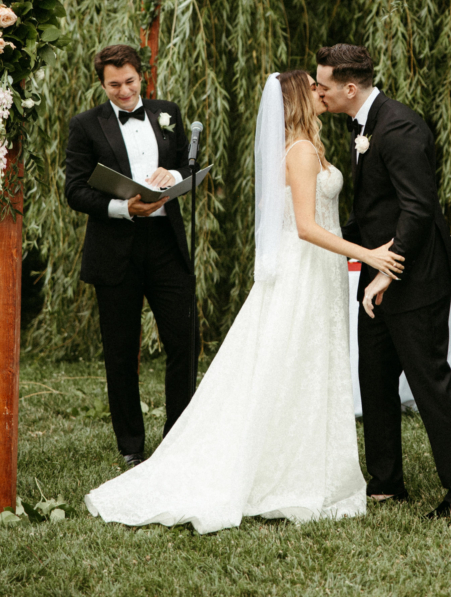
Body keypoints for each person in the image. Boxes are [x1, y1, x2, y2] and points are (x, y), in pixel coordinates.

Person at [85, 70, 405, 532]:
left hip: (320, 270)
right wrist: (367, 255)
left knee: (306, 364)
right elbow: (306, 227)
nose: (322, 93)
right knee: (291, 362)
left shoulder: (307, 146)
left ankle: (303, 457)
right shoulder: (299, 152)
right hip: (305, 268)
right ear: (298, 98)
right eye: (313, 89)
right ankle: (284, 468)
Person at [316, 44, 451, 519]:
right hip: (378, 273)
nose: (317, 91)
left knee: (430, 384)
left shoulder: (400, 127)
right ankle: (386, 482)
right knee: (374, 380)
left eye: (323, 85)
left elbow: (417, 208)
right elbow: (376, 208)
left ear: (350, 88)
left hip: (412, 278)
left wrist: (385, 273)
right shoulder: (365, 125)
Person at [65, 43, 198, 469]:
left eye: (130, 82)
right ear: (102, 83)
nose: (123, 91)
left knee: (185, 341)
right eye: (113, 85)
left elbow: (189, 167)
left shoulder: (169, 112)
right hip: (115, 248)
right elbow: (75, 190)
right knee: (121, 351)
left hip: (165, 245)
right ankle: (131, 446)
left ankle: (178, 435)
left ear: (142, 76)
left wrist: (174, 175)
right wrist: (124, 207)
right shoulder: (86, 125)